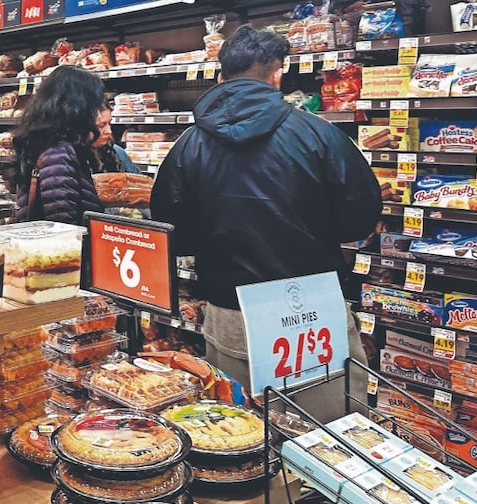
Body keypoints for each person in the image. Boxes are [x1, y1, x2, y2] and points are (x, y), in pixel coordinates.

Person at [151, 24, 381, 422]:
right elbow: (359, 219)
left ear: (220, 77)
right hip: (311, 310)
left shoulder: (187, 146)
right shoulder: (319, 135)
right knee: (332, 436)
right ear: (277, 75)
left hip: (230, 310)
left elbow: (173, 231)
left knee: (236, 438)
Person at [12, 65, 105, 225]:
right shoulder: (58, 153)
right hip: (64, 248)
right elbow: (62, 221)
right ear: (79, 106)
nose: (96, 113)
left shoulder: (43, 142)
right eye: (94, 105)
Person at [90, 100, 141, 174]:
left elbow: (138, 180)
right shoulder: (71, 159)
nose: (109, 131)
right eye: (101, 125)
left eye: (109, 123)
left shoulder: (117, 152)